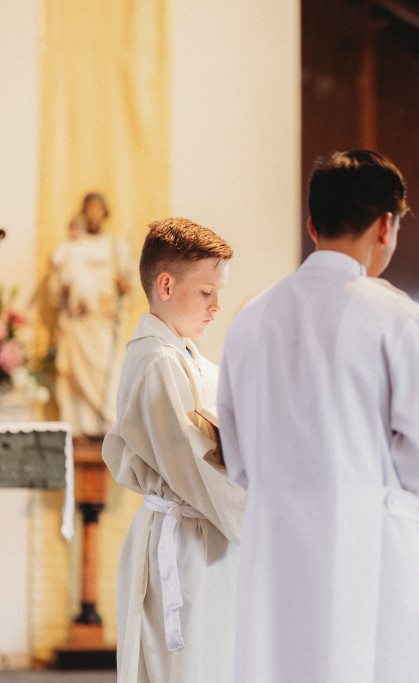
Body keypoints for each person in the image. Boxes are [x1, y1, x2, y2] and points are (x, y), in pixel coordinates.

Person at [217, 150, 419, 682]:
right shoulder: (392, 314)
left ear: (313, 225)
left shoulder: (251, 320)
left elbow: (236, 456)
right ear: (385, 226)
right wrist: (376, 475)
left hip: (275, 553)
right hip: (369, 545)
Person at [102, 218, 244, 682]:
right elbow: (196, 469)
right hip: (184, 543)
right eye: (206, 292)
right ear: (165, 285)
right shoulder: (158, 361)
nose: (216, 305)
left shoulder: (184, 354)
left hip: (204, 535)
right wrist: (267, 523)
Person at [48, 192, 133, 438]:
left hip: (103, 321)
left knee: (105, 372)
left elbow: (129, 284)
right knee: (76, 376)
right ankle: (81, 427)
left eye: (98, 209)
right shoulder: (72, 245)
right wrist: (62, 290)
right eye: (89, 209)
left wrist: (124, 288)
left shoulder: (116, 246)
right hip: (78, 322)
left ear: (105, 212)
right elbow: (56, 284)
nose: (93, 214)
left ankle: (105, 424)